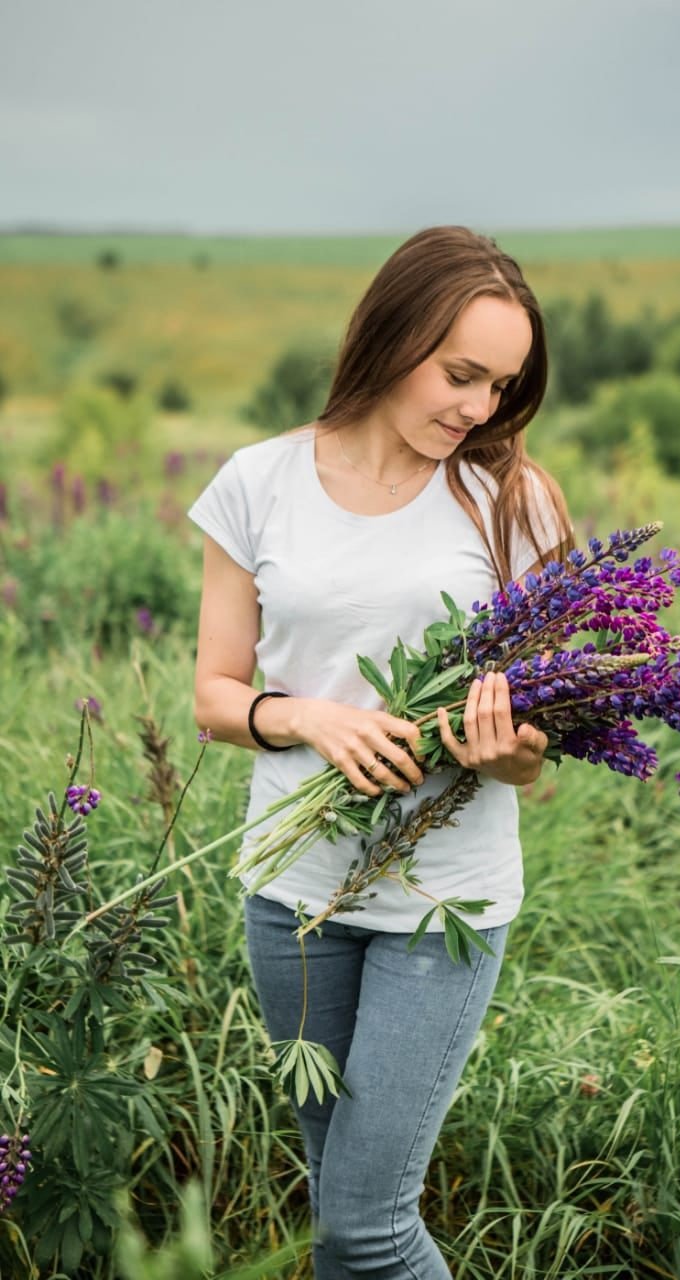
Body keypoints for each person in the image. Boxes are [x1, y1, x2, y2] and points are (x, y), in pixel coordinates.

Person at [188, 226, 572, 1279]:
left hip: (439, 906)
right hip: (290, 890)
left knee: (367, 1226)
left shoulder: (511, 503)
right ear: (393, 334)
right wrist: (312, 717)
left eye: (500, 384)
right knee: (339, 1216)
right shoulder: (256, 481)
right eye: (460, 373)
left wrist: (502, 753)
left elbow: (536, 753)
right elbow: (215, 695)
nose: (479, 408)